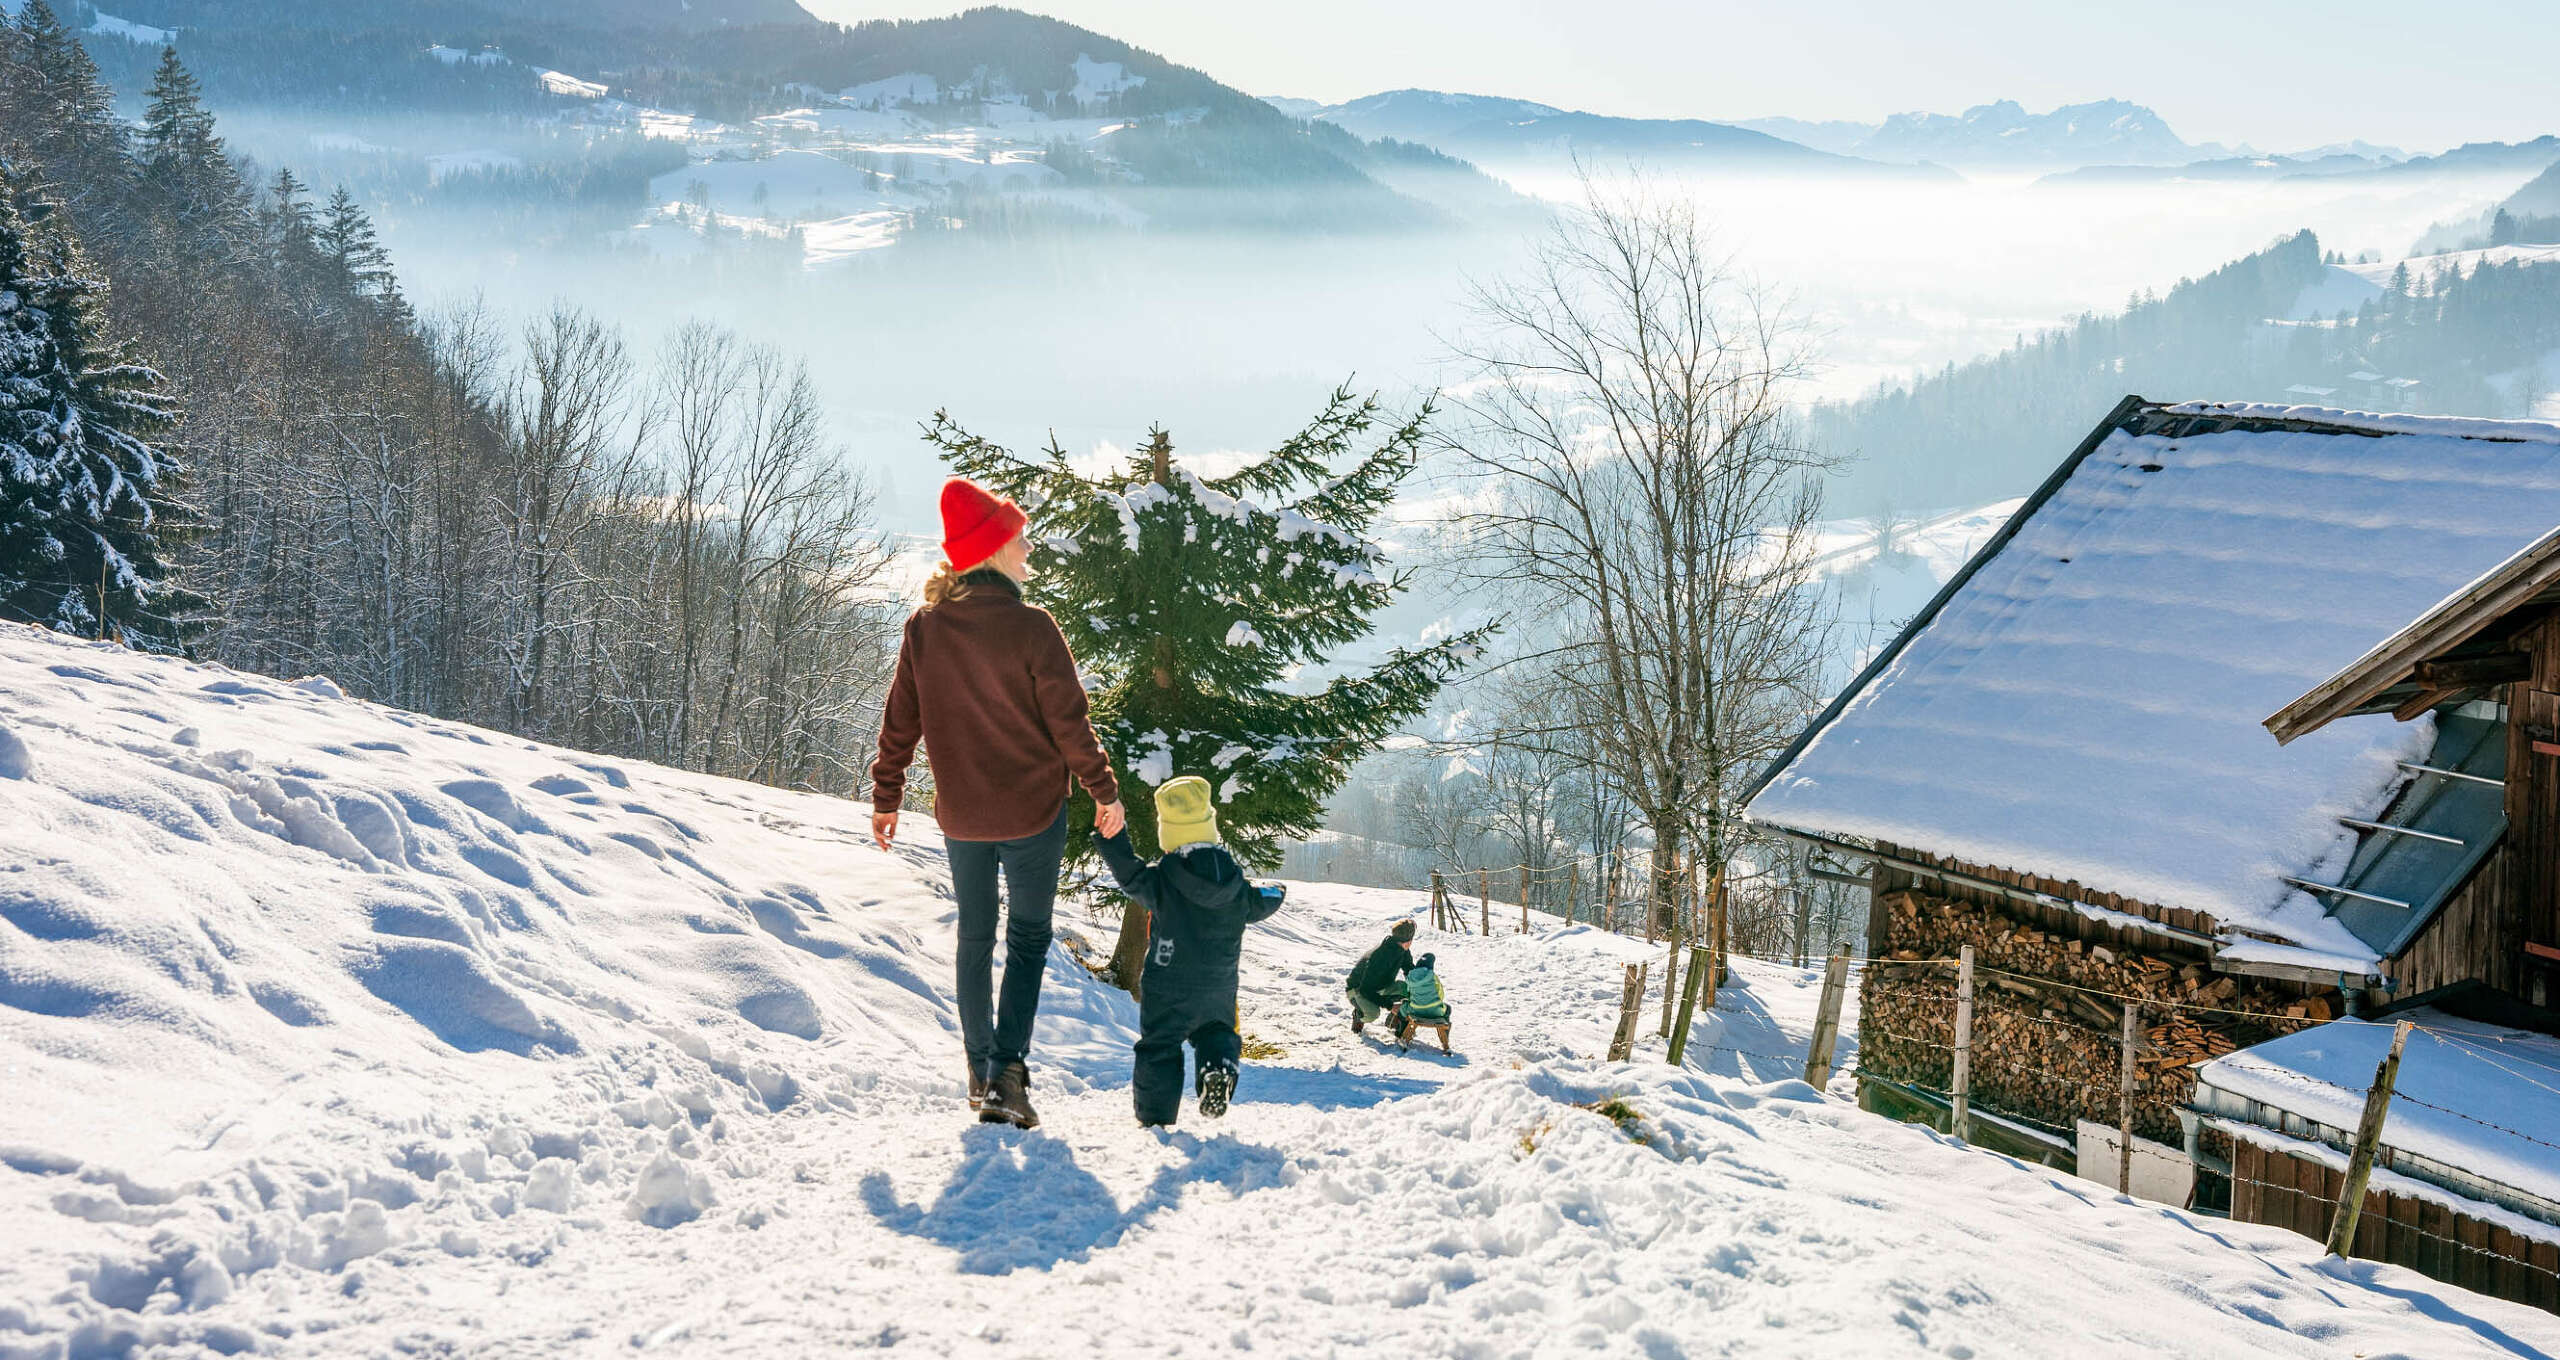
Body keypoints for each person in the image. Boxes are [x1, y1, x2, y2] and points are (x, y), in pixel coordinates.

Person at [870, 476, 1126, 1130]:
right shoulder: (1034, 628)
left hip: (963, 817)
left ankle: (980, 1072)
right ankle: (1008, 1075)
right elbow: (1071, 727)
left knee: (975, 937)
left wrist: (887, 795)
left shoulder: (924, 630)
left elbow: (902, 721)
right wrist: (1104, 792)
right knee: (1028, 937)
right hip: (1033, 813)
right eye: (1020, 536)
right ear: (993, 550)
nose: (1029, 546)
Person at [1094, 775, 1285, 1128]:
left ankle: (1155, 1118)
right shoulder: (1236, 887)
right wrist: (1276, 890)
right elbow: (1265, 900)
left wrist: (1111, 836)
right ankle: (1218, 1068)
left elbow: (1129, 875)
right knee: (1217, 1033)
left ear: (1168, 834)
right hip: (1218, 987)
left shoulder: (1163, 880)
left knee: (1160, 1047)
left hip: (1168, 983)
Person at [1344, 920, 1417, 1035]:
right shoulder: (1380, 957)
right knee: (1373, 1014)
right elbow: (1365, 990)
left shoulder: (1402, 949)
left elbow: (1409, 969)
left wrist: (1422, 983)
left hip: (1381, 986)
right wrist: (1390, 1006)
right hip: (1357, 990)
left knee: (1408, 990)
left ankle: (1395, 1020)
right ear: (1408, 941)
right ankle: (1359, 1015)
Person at [1392, 952, 1453, 1055]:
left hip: (1415, 1011)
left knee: (1403, 1009)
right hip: (1435, 1012)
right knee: (1448, 1009)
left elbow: (1409, 993)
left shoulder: (1410, 976)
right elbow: (1441, 995)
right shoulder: (1433, 976)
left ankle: (1400, 1032)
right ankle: (1445, 1038)